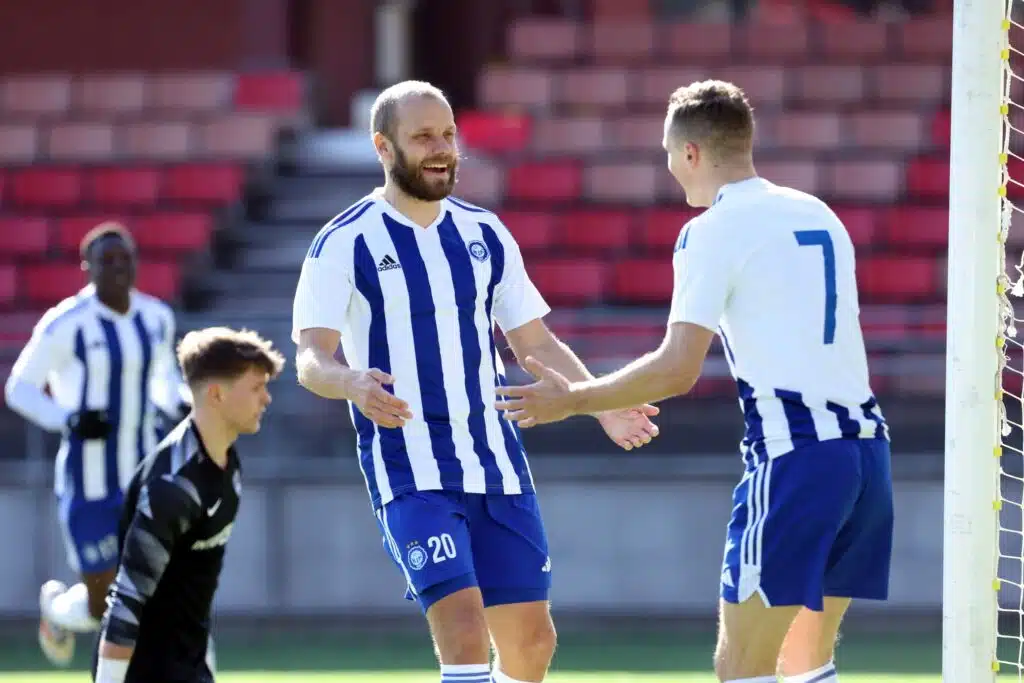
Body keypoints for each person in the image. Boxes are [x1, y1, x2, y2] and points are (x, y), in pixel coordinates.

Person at [494, 80, 893, 683]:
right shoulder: (818, 212)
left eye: (668, 154)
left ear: (690, 153)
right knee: (806, 662)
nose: (669, 168)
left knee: (743, 667)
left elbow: (677, 368)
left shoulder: (711, 229)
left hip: (798, 455)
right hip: (867, 453)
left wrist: (575, 399)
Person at [291, 79, 660, 683]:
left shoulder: (484, 232)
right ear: (384, 147)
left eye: (448, 134)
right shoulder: (343, 241)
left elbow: (535, 342)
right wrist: (350, 382)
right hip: (410, 467)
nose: (441, 149)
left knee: (532, 645)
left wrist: (600, 404)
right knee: (463, 630)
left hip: (496, 462)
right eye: (423, 137)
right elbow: (310, 358)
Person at [4, 222, 192, 667]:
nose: (117, 267)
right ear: (86, 267)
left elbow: (164, 381)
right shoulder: (65, 324)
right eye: (106, 260)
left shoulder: (156, 318)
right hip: (87, 482)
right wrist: (68, 419)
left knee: (147, 591)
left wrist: (182, 403)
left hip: (143, 476)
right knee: (99, 602)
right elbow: (19, 388)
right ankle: (56, 610)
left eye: (125, 258)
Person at [92, 326, 283, 683]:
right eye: (257, 387)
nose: (266, 399)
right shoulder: (174, 487)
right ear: (216, 394)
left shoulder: (228, 464)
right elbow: (126, 603)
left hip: (189, 668)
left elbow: (196, 590)